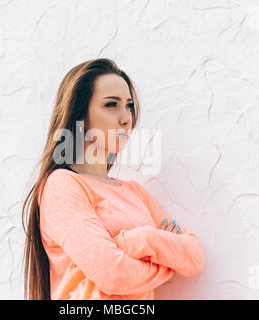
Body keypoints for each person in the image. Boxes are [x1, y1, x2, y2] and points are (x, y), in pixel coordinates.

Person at [22, 58, 205, 300]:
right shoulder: (62, 185)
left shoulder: (135, 192)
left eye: (128, 106)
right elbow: (113, 273)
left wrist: (138, 240)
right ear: (80, 116)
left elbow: (193, 257)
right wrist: (166, 252)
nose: (126, 118)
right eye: (111, 105)